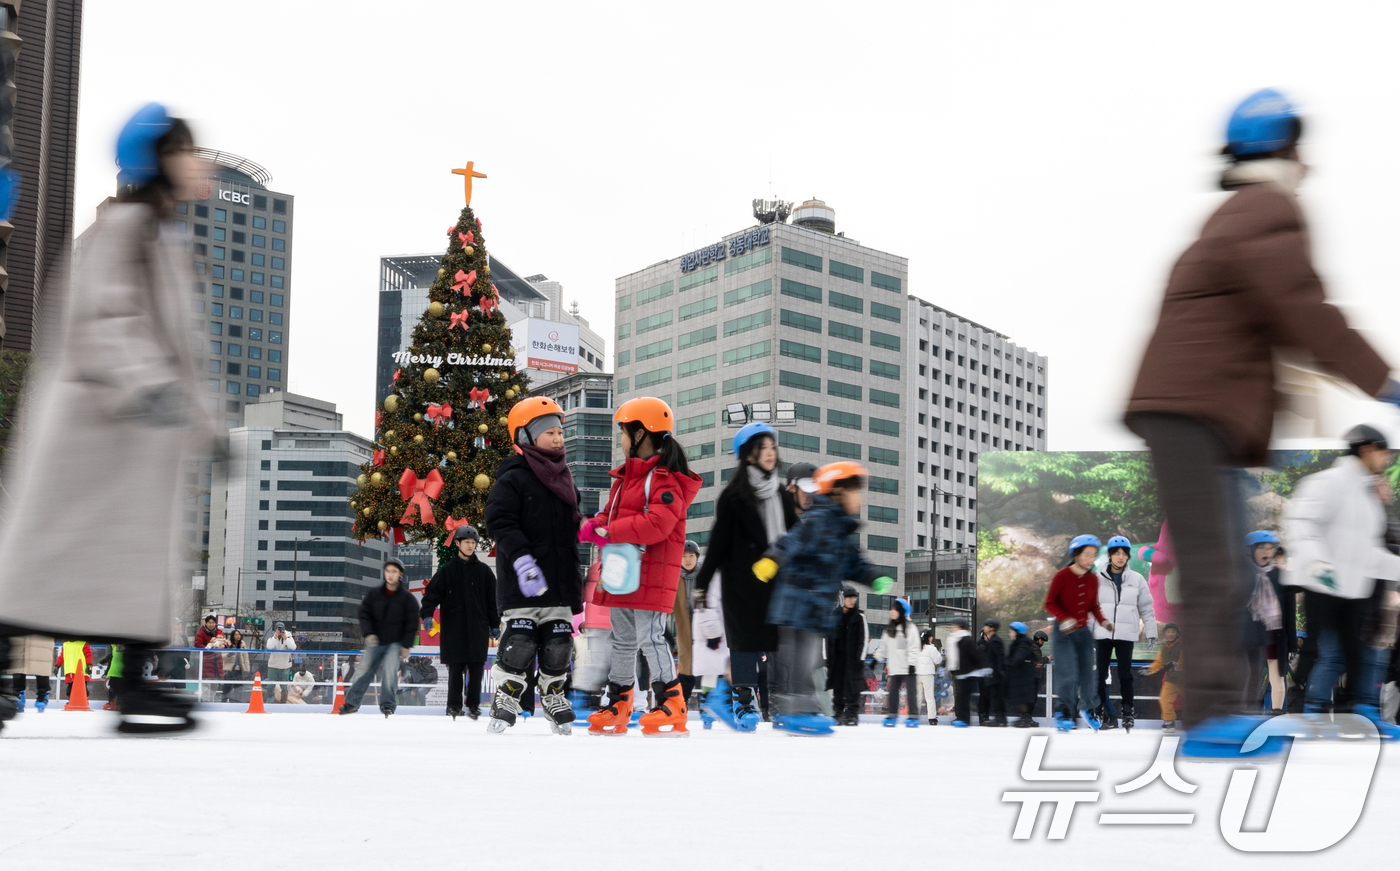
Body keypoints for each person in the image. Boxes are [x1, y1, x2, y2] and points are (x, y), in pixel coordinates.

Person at [1124, 88, 1400, 754]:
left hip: (1196, 408)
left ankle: (1216, 710)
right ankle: (1211, 717)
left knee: (1218, 559)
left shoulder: (1240, 211)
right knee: (1216, 564)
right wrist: (1385, 381)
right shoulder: (1266, 208)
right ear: (1284, 147)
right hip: (1191, 408)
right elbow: (1304, 309)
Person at [0, 104, 221, 734]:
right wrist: (151, 389)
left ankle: (134, 684)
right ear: (158, 161)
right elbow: (106, 319)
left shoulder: (165, 236)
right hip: (91, 431)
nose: (198, 163)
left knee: (137, 562)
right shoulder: (123, 229)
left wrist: (205, 424)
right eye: (186, 150)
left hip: (133, 439)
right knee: (45, 556)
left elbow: (187, 354)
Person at [581, 396, 700, 737]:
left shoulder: (664, 479)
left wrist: (609, 530)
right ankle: (620, 702)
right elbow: (612, 514)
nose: (620, 440)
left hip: (652, 572)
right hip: (624, 572)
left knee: (650, 636)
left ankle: (671, 701)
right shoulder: (624, 480)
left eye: (622, 432)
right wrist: (596, 524)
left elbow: (658, 525)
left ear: (641, 434)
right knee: (622, 638)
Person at [756, 461, 892, 736]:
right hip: (798, 602)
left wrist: (873, 576)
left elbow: (854, 562)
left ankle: (789, 709)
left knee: (804, 660)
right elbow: (794, 539)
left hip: (813, 608)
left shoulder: (840, 531)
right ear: (837, 492)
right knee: (801, 660)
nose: (861, 499)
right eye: (856, 492)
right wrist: (772, 559)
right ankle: (798, 711)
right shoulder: (820, 520)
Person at [1285, 424, 1400, 739]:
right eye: (1383, 453)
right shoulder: (1328, 482)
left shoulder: (1367, 494)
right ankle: (1312, 712)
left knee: (1360, 653)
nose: (1387, 460)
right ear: (1366, 450)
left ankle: (1362, 713)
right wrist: (1319, 564)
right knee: (1328, 653)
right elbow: (1301, 523)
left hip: (1356, 590)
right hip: (1326, 587)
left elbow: (1370, 552)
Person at [484, 396, 586, 735]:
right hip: (523, 580)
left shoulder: (565, 477)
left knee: (558, 645)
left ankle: (554, 694)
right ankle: (507, 693)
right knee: (521, 640)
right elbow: (499, 520)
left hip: (559, 582)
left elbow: (571, 524)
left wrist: (589, 527)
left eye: (560, 432)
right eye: (549, 433)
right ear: (526, 436)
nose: (558, 439)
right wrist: (522, 559)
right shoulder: (513, 478)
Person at [693, 422, 795, 731]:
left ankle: (737, 695)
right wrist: (702, 582)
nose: (769, 453)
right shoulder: (734, 496)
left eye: (772, 448)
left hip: (774, 582)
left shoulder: (780, 493)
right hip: (740, 583)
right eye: (762, 448)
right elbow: (719, 542)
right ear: (747, 455)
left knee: (775, 642)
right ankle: (743, 702)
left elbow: (795, 535)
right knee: (745, 645)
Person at [419, 524, 498, 720]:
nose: (471, 546)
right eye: (467, 542)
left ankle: (472, 706)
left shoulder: (484, 572)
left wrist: (494, 624)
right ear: (458, 543)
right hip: (454, 628)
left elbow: (492, 601)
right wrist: (427, 613)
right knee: (455, 669)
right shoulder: (447, 570)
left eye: (473, 543)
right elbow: (432, 593)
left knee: (477, 669)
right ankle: (453, 706)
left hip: (478, 627)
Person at [1044, 535, 1115, 731]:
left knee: (1088, 674)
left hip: (1083, 632)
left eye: (1094, 555)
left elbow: (1093, 605)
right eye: (1086, 555)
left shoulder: (1093, 579)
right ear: (1075, 555)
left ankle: (1087, 708)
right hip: (1063, 632)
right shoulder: (1062, 576)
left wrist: (1103, 621)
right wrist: (1064, 618)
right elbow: (1049, 603)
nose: (1090, 559)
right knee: (1068, 674)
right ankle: (1064, 712)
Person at [339, 559, 420, 717]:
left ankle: (388, 705)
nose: (390, 575)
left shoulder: (407, 598)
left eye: (394, 572)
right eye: (388, 571)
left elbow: (412, 623)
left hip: (395, 643)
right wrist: (368, 633)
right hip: (375, 640)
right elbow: (364, 614)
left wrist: (406, 645)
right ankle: (352, 703)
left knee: (390, 672)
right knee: (364, 671)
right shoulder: (374, 594)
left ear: (400, 574)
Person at [1094, 536, 1157, 730]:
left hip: (1126, 634)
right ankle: (1100, 711)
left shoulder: (1137, 579)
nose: (1120, 557)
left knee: (1125, 674)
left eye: (1124, 553)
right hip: (1102, 633)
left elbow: (1146, 607)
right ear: (1110, 555)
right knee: (1100, 675)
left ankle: (1128, 712)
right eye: (1116, 553)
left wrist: (1151, 630)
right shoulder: (1097, 579)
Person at [1243, 531, 1286, 715]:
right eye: (1261, 547)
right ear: (1250, 550)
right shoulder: (1242, 573)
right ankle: (1245, 711)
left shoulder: (1278, 575)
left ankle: (1275, 711)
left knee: (1275, 676)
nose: (1266, 552)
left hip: (1272, 632)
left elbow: (1288, 607)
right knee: (1248, 673)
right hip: (1246, 634)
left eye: (1270, 548)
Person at [875, 598, 921, 728]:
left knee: (911, 692)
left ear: (901, 611)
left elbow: (914, 647)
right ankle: (892, 714)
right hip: (895, 667)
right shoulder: (890, 628)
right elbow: (884, 648)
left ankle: (913, 716)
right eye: (891, 609)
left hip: (908, 667)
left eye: (894, 609)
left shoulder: (910, 628)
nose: (892, 612)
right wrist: (875, 659)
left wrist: (912, 664)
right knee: (893, 691)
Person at [828, 586, 868, 726]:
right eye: (849, 598)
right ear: (843, 599)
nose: (852, 601)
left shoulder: (859, 617)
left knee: (853, 687)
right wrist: (827, 659)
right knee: (838, 686)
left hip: (853, 659)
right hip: (837, 658)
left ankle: (852, 714)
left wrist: (860, 658)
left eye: (853, 598)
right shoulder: (834, 616)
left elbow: (864, 639)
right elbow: (827, 639)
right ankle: (838, 712)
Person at [1139, 623, 1185, 733]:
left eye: (1173, 632)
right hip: (1171, 680)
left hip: (1185, 681)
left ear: (1177, 634)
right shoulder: (1164, 649)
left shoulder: (1182, 647)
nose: (1170, 634)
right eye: (1168, 632)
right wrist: (1149, 669)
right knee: (1165, 699)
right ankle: (1169, 722)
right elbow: (1158, 663)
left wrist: (1175, 665)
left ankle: (1198, 721)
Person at [945, 617, 985, 727]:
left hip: (967, 673)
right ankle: (961, 717)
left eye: (955, 626)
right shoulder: (955, 639)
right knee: (960, 696)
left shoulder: (966, 639)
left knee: (963, 696)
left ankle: (964, 719)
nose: (952, 628)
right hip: (958, 672)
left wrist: (978, 669)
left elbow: (975, 656)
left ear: (960, 627)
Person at [674, 540, 700, 702]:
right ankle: (681, 702)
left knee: (710, 666)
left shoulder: (705, 574)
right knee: (686, 666)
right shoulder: (674, 576)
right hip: (684, 628)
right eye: (684, 556)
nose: (688, 560)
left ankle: (708, 704)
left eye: (691, 556)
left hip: (705, 628)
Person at [1005, 622, 1041, 728]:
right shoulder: (1019, 643)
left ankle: (1025, 718)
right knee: (1019, 699)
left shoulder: (1023, 644)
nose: (1010, 633)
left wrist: (1008, 663)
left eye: (1011, 631)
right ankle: (1024, 717)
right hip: (1019, 677)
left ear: (1017, 632)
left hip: (1022, 678)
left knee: (1021, 698)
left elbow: (1018, 658)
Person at [6, 635, 53, 713]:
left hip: (41, 640)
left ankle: (42, 694)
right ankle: (18, 694)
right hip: (21, 639)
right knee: (19, 665)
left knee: (41, 663)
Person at [977, 619, 1008, 727]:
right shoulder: (991, 641)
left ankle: (1000, 718)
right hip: (993, 674)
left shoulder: (995, 641)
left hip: (995, 675)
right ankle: (999, 718)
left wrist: (997, 672)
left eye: (986, 626)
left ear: (991, 628)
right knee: (994, 697)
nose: (984, 628)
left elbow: (998, 658)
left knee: (996, 697)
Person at [915, 629, 943, 726]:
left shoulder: (915, 648)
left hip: (917, 674)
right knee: (929, 697)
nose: (932, 638)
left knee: (918, 696)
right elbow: (938, 660)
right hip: (927, 674)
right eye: (931, 637)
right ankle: (932, 718)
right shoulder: (931, 648)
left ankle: (915, 716)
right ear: (928, 638)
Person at [265, 621, 297, 704]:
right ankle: (269, 701)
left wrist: (285, 638)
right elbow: (269, 647)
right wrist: (275, 637)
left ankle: (283, 702)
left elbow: (293, 647)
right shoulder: (272, 638)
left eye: (281, 629)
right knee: (270, 686)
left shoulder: (289, 638)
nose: (280, 631)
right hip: (273, 665)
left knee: (284, 686)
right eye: (278, 629)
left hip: (285, 666)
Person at [222, 629, 250, 704]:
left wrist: (247, 669)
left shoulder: (242, 644)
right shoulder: (227, 643)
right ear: (232, 636)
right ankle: (223, 702)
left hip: (239, 669)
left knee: (238, 687)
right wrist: (228, 655)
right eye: (236, 635)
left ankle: (237, 702)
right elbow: (222, 655)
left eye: (239, 635)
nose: (238, 636)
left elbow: (245, 657)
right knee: (227, 687)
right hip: (229, 669)